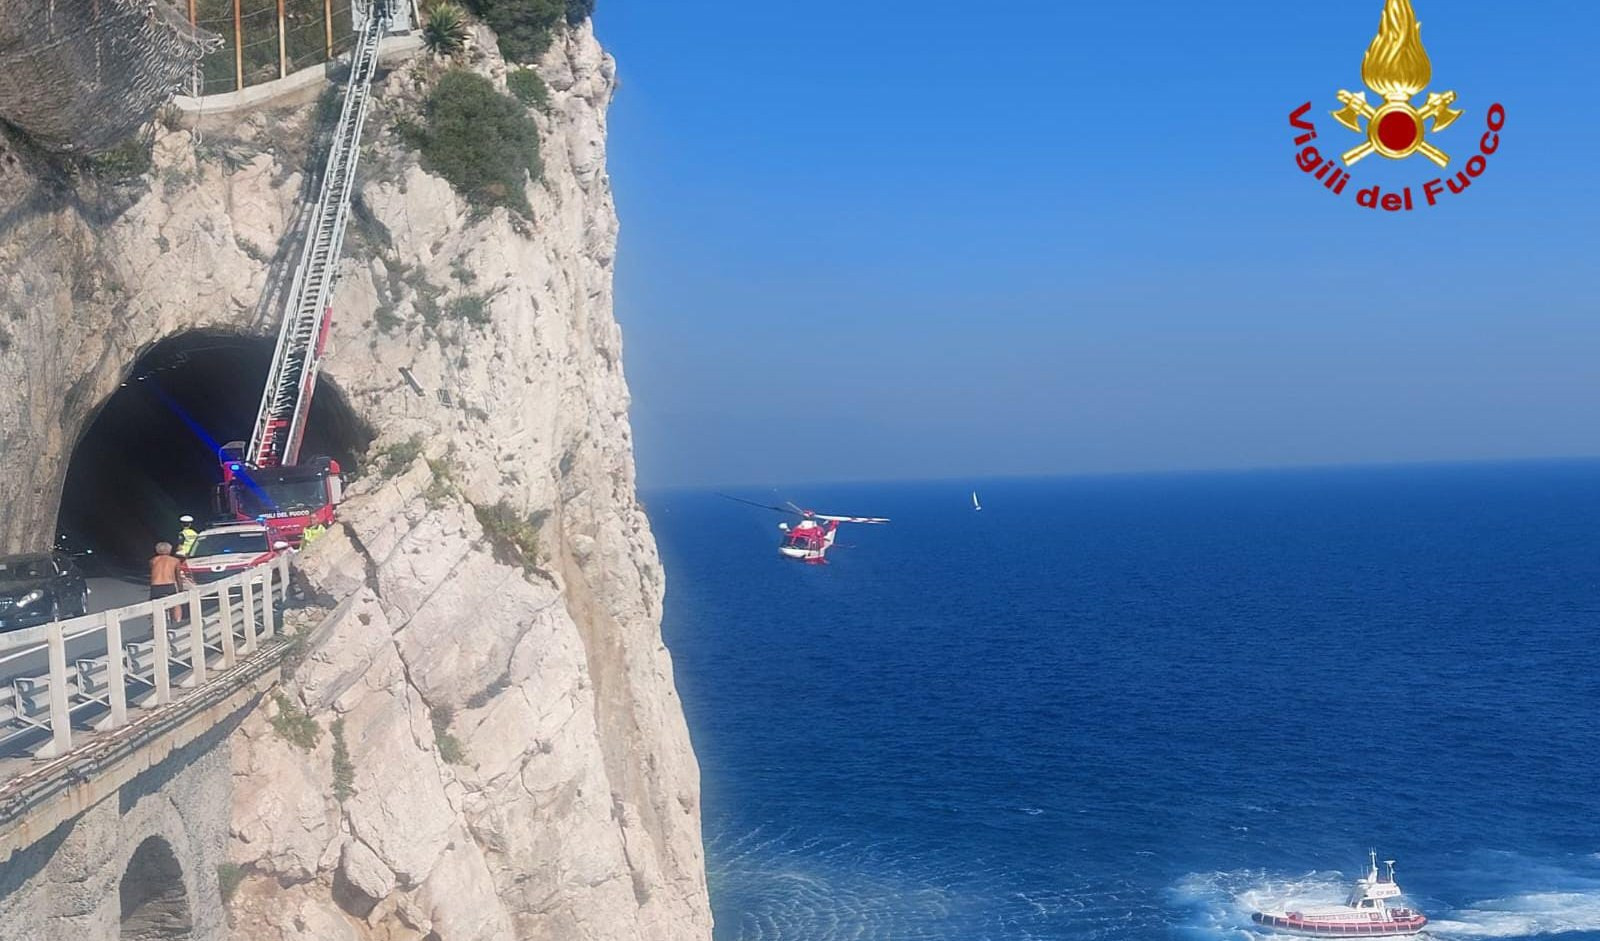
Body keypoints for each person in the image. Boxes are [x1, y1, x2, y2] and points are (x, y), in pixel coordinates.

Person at [149, 541, 186, 622]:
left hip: (156, 586)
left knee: (154, 603)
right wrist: (180, 589)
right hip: (169, 585)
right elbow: (178, 576)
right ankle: (177, 619)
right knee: (176, 603)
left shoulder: (153, 560)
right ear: (169, 550)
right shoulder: (175, 560)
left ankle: (154, 619)